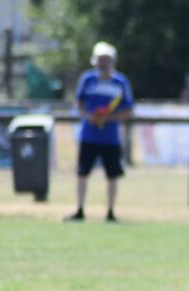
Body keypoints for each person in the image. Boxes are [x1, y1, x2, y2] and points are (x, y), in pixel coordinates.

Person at [65, 42, 134, 223]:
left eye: (107, 59)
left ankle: (110, 211)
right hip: (89, 135)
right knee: (82, 173)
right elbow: (79, 105)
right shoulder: (88, 80)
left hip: (110, 138)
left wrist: (109, 118)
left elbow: (128, 110)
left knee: (112, 176)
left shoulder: (121, 82)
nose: (103, 63)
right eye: (101, 59)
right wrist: (91, 117)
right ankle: (80, 209)